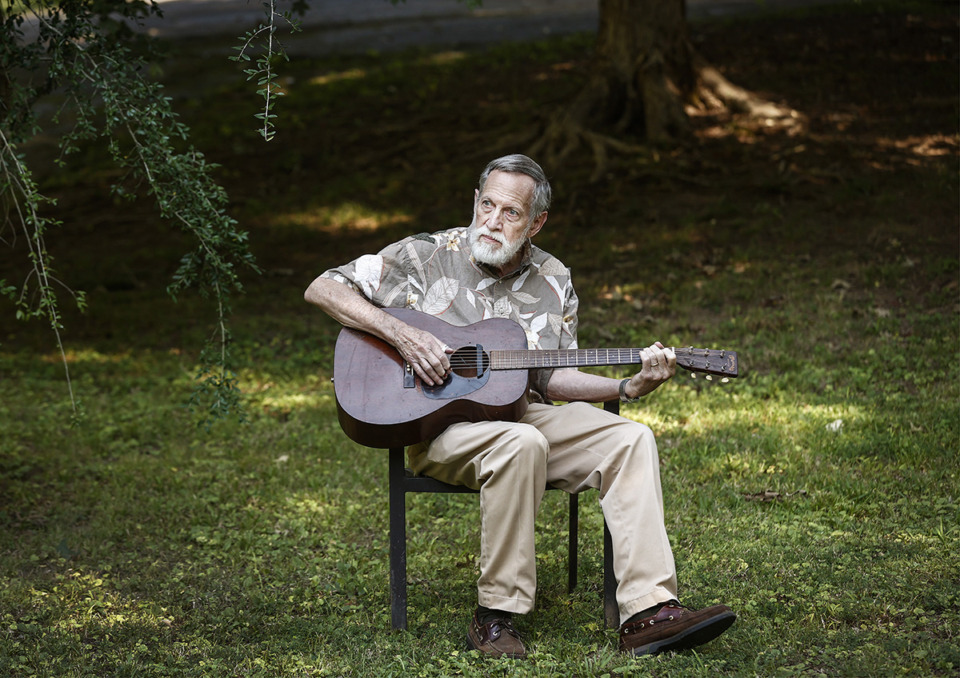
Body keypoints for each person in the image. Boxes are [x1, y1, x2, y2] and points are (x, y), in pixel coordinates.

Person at [304, 154, 736, 658]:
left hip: (520, 413)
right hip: (437, 425)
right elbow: (323, 287)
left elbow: (554, 375)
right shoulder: (425, 254)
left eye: (510, 213)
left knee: (630, 437)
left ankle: (648, 613)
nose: (492, 220)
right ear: (475, 200)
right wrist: (402, 334)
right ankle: (495, 616)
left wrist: (627, 389)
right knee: (521, 441)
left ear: (536, 222)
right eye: (487, 204)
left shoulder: (553, 278)